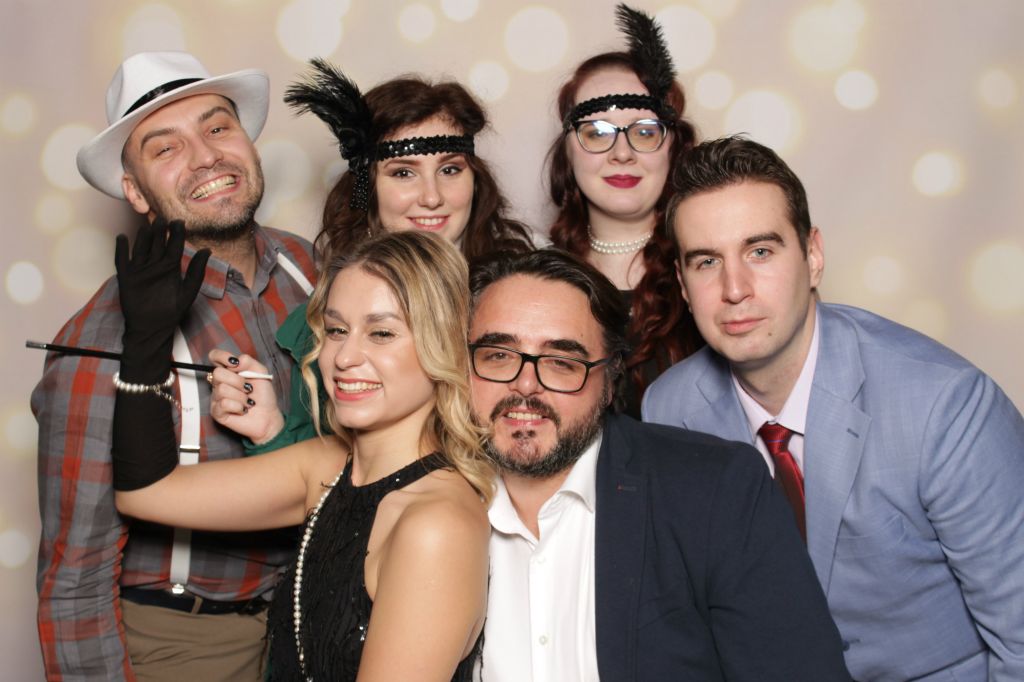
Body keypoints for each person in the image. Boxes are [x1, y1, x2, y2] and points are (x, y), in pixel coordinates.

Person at [643, 136, 1024, 681]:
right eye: (707, 262)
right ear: (682, 284)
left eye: (760, 251)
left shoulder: (944, 406)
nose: (734, 288)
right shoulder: (669, 409)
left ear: (813, 256)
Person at [31, 51, 316, 680]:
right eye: (166, 148)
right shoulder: (101, 340)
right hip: (186, 641)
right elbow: (75, 579)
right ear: (134, 191)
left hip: (308, 617)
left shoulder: (309, 270)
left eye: (217, 127)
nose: (206, 156)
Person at [112, 229, 490, 681]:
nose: (344, 357)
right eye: (336, 330)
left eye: (381, 333)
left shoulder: (436, 526)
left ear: (443, 345)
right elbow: (145, 493)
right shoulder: (327, 466)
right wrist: (146, 344)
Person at [467, 248, 851, 681]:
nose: (525, 385)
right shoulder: (430, 500)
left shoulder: (716, 492)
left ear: (609, 381)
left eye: (562, 362)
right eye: (497, 355)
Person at [214, 58, 533, 453]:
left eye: (450, 170)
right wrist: (270, 433)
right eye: (403, 173)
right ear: (368, 189)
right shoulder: (327, 323)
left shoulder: (520, 296)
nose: (432, 197)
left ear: (475, 180)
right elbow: (317, 473)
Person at [546, 4, 702, 416]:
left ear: (674, 147)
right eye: (596, 132)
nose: (621, 153)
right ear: (567, 152)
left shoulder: (713, 272)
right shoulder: (536, 279)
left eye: (645, 132)